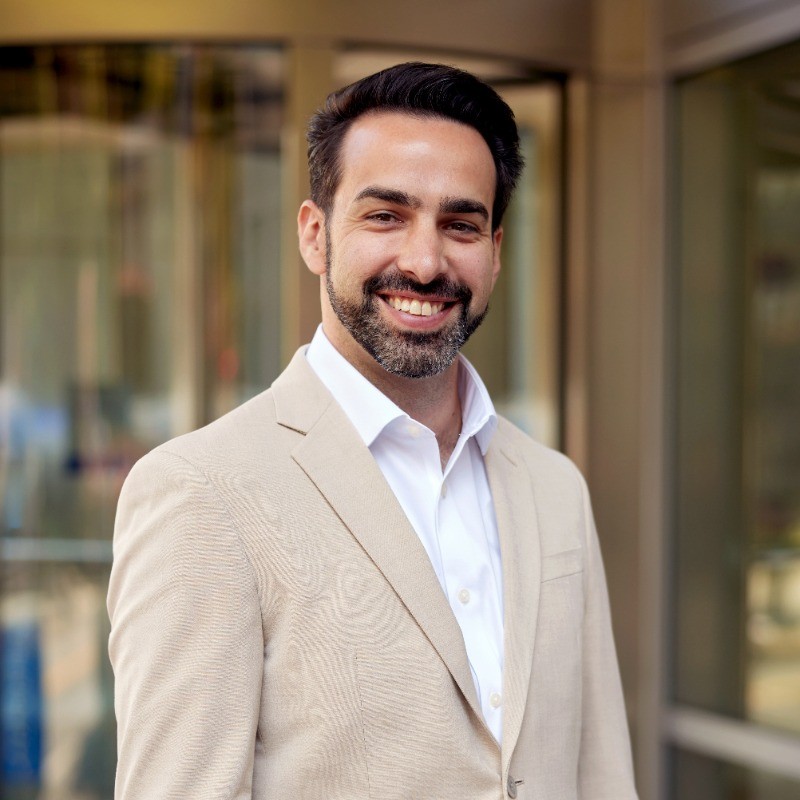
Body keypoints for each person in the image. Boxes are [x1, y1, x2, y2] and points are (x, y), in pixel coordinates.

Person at [107, 62, 638, 800]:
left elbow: (602, 777)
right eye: (385, 215)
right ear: (314, 235)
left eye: (461, 224)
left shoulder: (555, 488)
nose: (424, 262)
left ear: (495, 251)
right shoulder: (201, 494)